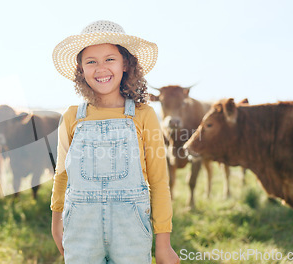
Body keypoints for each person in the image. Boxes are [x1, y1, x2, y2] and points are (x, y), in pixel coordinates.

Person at [50, 20, 180, 263]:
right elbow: (61, 175)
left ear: (126, 64)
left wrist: (163, 243)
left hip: (131, 232)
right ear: (81, 69)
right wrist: (56, 224)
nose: (101, 68)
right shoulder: (70, 117)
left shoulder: (144, 115)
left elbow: (159, 181)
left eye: (110, 59)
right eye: (91, 61)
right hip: (81, 230)